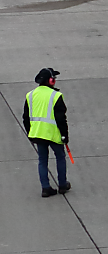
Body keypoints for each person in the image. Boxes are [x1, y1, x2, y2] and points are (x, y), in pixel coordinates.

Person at [24, 68, 69, 198]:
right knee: (60, 157)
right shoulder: (56, 96)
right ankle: (62, 185)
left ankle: (45, 188)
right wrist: (65, 135)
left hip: (37, 134)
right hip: (53, 134)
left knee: (42, 161)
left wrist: (30, 133)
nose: (54, 80)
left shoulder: (30, 95)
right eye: (53, 78)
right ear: (50, 80)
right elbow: (61, 119)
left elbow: (25, 117)